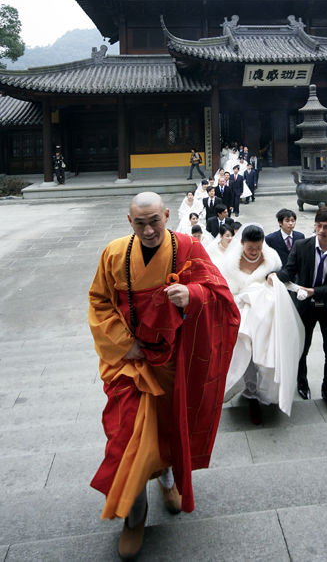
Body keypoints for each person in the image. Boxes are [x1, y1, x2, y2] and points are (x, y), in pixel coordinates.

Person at [88, 192, 240, 559]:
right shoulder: (113, 254)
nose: (149, 229)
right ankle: (134, 515)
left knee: (171, 428)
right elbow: (99, 301)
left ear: (168, 215)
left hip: (173, 362)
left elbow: (221, 296)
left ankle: (168, 480)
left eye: (155, 221)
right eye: (140, 223)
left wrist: (192, 294)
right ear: (129, 222)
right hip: (129, 363)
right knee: (127, 438)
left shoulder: (188, 247)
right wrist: (126, 344)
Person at [219, 224, 304, 425]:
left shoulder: (272, 258)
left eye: (258, 247)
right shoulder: (229, 263)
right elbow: (224, 290)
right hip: (241, 315)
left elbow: (281, 280)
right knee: (244, 353)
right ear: (241, 244)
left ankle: (266, 390)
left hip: (266, 315)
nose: (255, 251)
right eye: (250, 248)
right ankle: (249, 389)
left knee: (265, 354)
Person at [275, 207, 327, 419]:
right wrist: (271, 277)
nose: (321, 230)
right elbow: (288, 271)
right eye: (318, 225)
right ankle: (302, 382)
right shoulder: (302, 246)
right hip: (304, 307)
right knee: (301, 349)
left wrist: (315, 292)